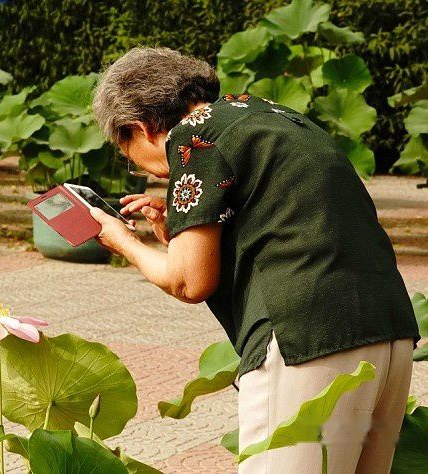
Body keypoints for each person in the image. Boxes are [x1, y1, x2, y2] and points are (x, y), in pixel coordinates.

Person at [90, 47, 419, 474]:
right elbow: (284, 220)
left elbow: (189, 281)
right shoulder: (271, 114)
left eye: (129, 154)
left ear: (140, 127)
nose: (149, 172)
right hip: (387, 329)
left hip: (308, 338)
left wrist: (122, 242)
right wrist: (180, 226)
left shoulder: (191, 136)